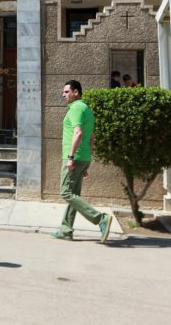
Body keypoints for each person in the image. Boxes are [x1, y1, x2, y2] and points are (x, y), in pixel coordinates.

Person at [52, 80, 113, 243]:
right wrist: (88, 162)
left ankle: (101, 219)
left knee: (66, 192)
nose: (63, 95)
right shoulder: (87, 110)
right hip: (83, 157)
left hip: (74, 157)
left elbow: (78, 133)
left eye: (66, 92)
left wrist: (71, 157)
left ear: (76, 92)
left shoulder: (76, 108)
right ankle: (66, 229)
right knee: (74, 194)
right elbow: (92, 137)